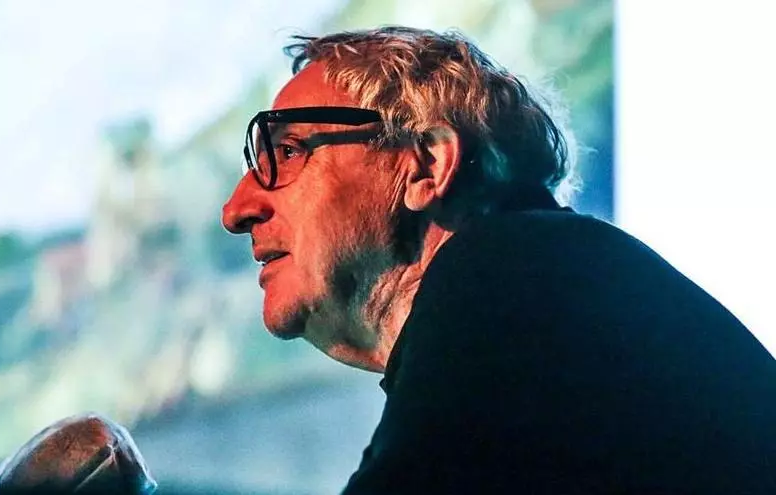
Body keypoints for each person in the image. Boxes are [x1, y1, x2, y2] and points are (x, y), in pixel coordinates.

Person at [221, 26, 776, 494]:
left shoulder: (510, 271)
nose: (236, 210)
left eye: (288, 152)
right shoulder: (542, 281)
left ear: (427, 165)